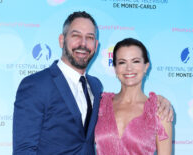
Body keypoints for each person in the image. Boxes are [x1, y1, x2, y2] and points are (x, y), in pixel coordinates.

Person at [13, 11, 173, 155]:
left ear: (96, 46)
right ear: (62, 40)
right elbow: (23, 150)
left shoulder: (96, 89)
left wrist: (159, 101)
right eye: (76, 35)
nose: (83, 43)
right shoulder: (36, 85)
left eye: (89, 37)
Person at [95, 38, 172, 155]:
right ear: (115, 69)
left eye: (135, 61)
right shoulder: (100, 105)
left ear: (146, 66)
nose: (129, 68)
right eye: (122, 62)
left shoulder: (160, 110)